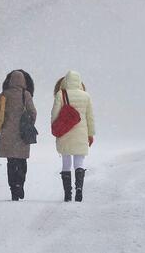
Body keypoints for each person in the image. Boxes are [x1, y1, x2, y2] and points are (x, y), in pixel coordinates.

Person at [52, 70, 95, 202]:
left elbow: (54, 114)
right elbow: (90, 117)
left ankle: (67, 194)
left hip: (65, 131)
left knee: (66, 162)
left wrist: (55, 127)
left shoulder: (60, 94)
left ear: (66, 81)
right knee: (79, 162)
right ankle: (79, 190)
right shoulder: (86, 96)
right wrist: (90, 134)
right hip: (81, 133)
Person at [0, 70, 37, 201]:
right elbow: (33, 112)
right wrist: (29, 123)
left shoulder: (4, 94)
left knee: (11, 162)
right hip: (22, 133)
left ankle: (13, 189)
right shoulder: (26, 95)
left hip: (7, 133)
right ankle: (20, 184)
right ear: (24, 82)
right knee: (21, 162)